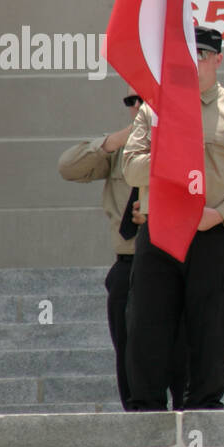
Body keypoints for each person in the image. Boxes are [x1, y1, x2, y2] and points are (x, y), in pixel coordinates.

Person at [122, 27, 224, 410]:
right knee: (147, 325)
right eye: (188, 55)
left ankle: (203, 407)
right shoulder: (154, 110)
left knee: (212, 326)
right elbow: (130, 167)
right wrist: (170, 158)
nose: (195, 63)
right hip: (160, 234)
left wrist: (221, 214)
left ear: (218, 60)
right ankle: (146, 410)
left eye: (203, 55)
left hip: (213, 234)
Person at [57, 88, 187, 410]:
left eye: (146, 100)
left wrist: (164, 213)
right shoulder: (121, 148)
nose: (138, 107)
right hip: (130, 262)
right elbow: (68, 167)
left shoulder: (188, 140)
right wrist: (118, 139)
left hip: (178, 258)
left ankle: (189, 412)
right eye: (132, 101)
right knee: (130, 348)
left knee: (182, 346)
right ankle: (139, 415)